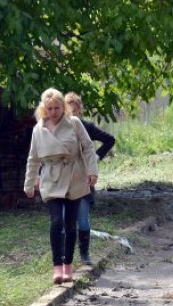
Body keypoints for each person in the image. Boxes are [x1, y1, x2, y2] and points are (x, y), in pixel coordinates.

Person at [24, 88, 98, 284]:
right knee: (56, 222)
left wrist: (92, 171)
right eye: (49, 108)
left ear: (63, 107)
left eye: (57, 107)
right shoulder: (38, 130)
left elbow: (88, 147)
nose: (54, 111)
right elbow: (33, 158)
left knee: (70, 224)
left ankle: (68, 265)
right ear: (43, 108)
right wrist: (29, 183)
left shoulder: (73, 123)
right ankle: (57, 266)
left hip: (74, 176)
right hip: (51, 179)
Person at [64, 92, 115, 264]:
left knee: (82, 219)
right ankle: (65, 258)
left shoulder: (87, 127)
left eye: (75, 110)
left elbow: (110, 140)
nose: (72, 114)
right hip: (63, 182)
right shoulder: (56, 129)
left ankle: (85, 254)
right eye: (68, 110)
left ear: (79, 111)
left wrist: (96, 157)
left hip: (84, 179)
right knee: (64, 221)